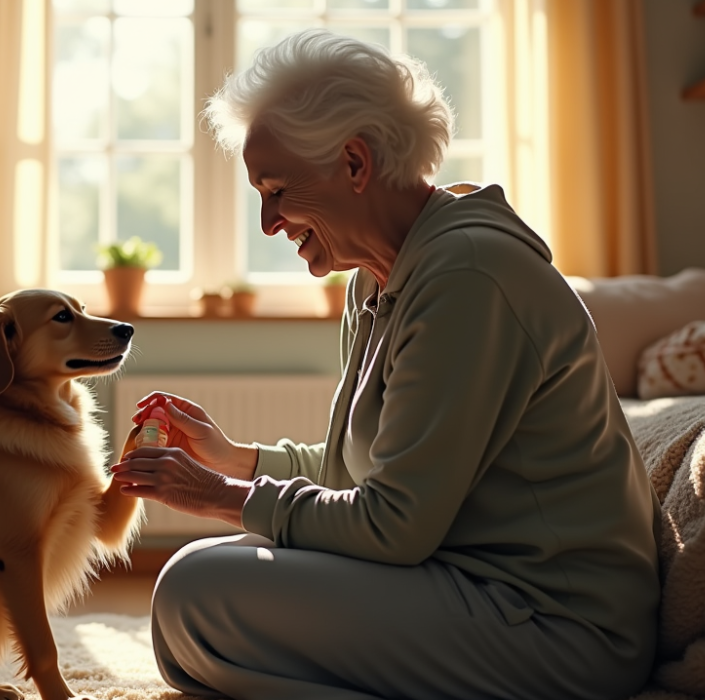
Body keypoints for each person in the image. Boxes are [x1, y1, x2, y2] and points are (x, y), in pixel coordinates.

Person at [108, 29, 660, 700]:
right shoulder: (375, 278)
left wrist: (217, 497)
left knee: (196, 595)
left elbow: (391, 525)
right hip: (458, 579)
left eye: (277, 190)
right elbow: (358, 477)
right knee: (191, 608)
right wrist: (235, 459)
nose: (267, 222)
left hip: (557, 625)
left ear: (355, 163)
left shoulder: (469, 275)